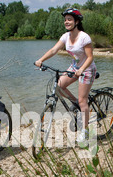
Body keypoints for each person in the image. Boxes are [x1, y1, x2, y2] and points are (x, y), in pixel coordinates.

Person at [35, 8, 97, 144]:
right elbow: (54, 50)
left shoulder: (84, 37)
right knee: (59, 86)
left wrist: (81, 69)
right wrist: (41, 60)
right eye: (65, 19)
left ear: (77, 21)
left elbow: (90, 57)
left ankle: (85, 131)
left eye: (69, 19)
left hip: (86, 69)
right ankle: (76, 104)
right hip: (74, 67)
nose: (66, 22)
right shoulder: (65, 37)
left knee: (83, 100)